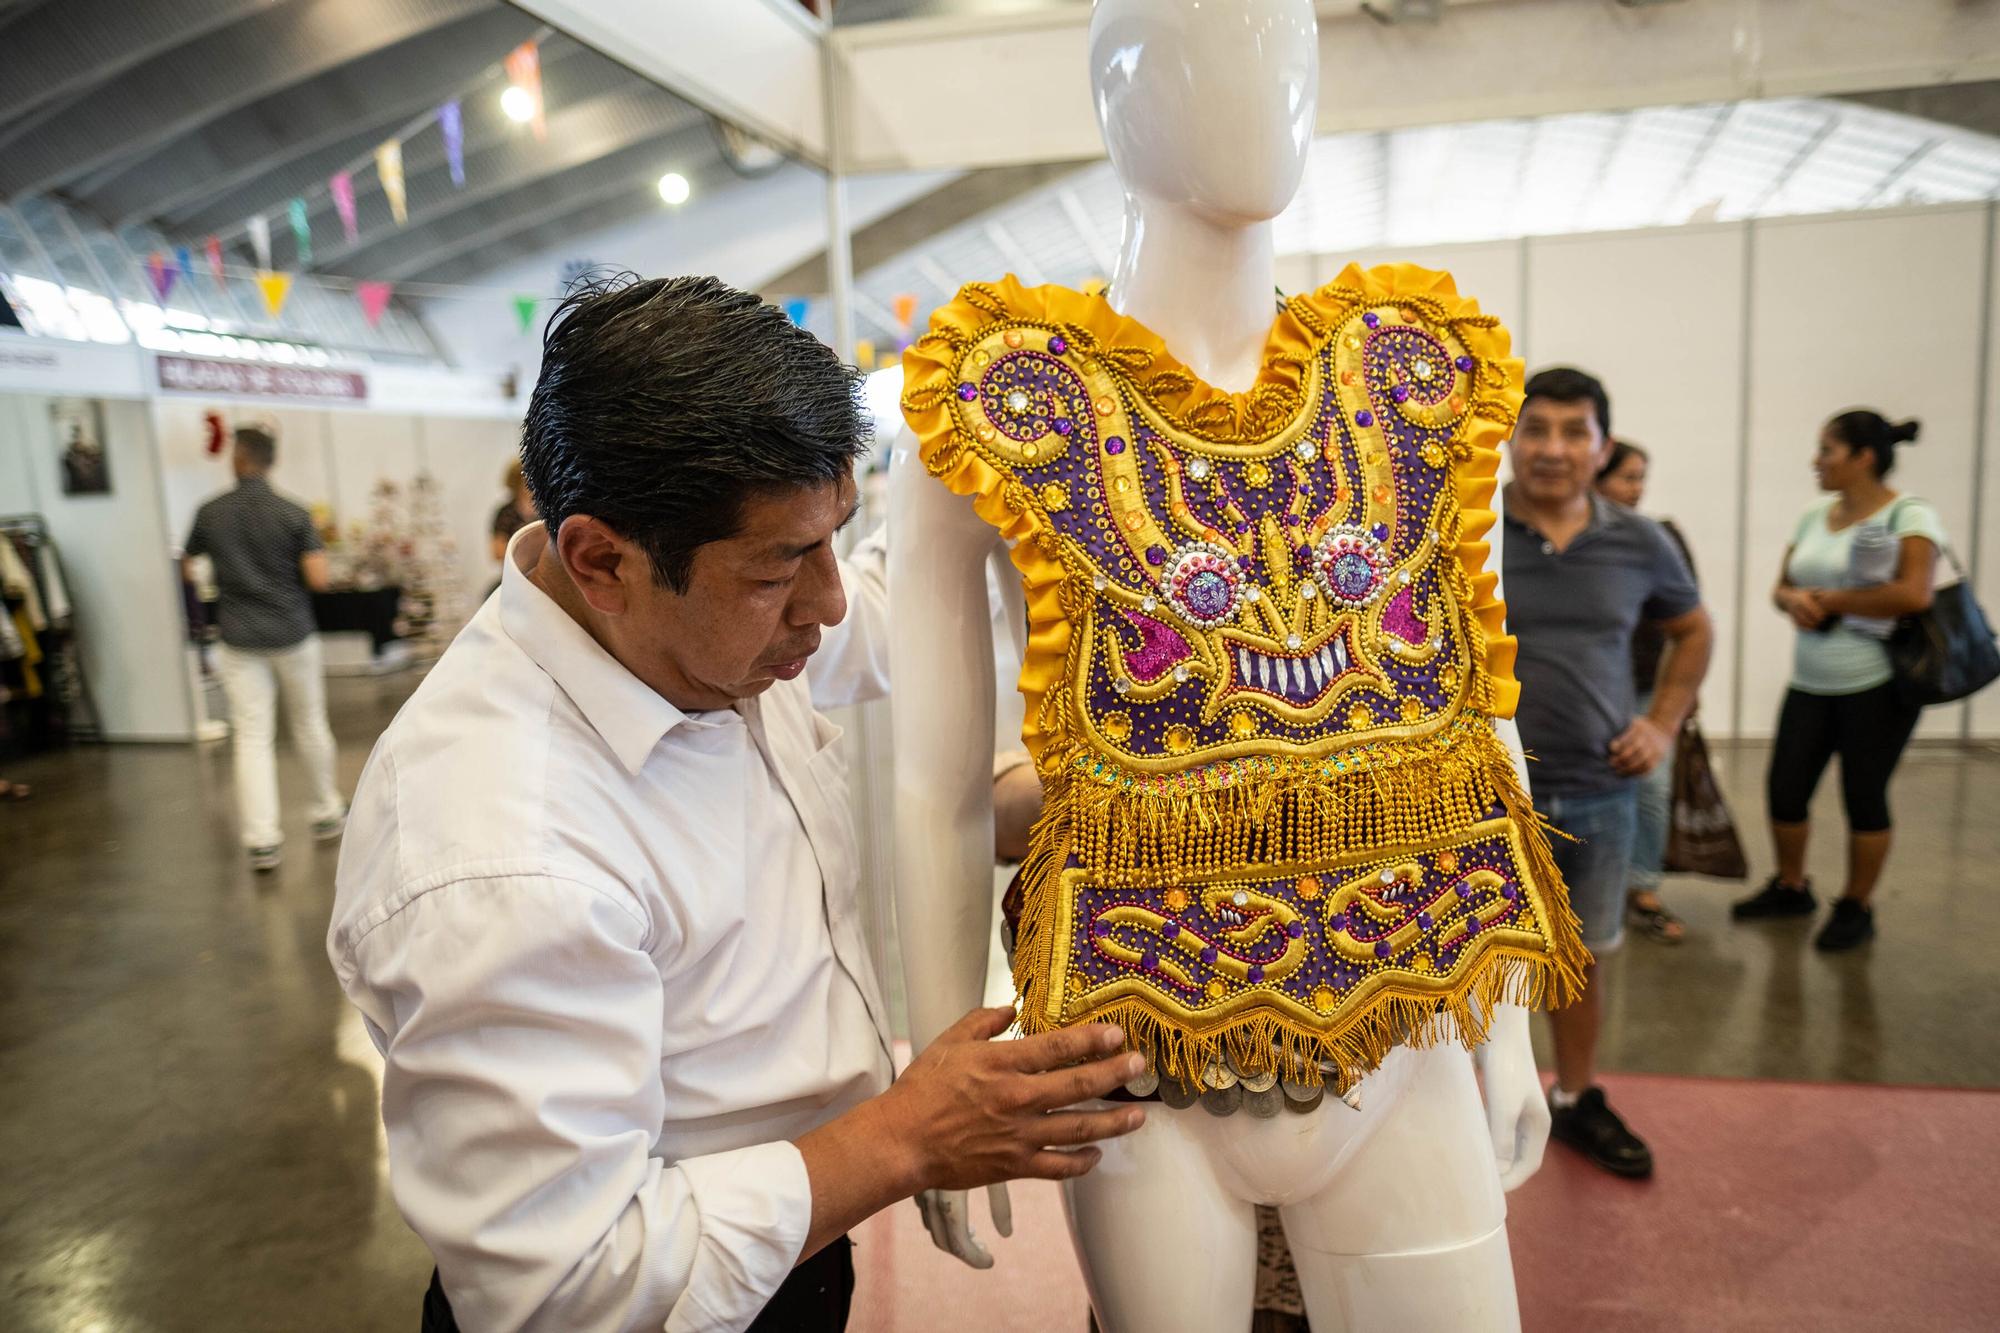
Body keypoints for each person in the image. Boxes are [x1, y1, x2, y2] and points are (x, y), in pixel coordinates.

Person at [326, 275, 1144, 1333]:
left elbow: (889, 605)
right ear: (602, 560)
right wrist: (907, 1135)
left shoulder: (702, 626)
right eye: (780, 567)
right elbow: (570, 1291)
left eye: (832, 538)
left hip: (795, 1251)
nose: (828, 603)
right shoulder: (498, 854)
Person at [1504, 368, 1712, 1178]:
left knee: (1583, 955)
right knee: (1470, 956)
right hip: (1488, 798)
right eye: (1536, 429)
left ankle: (1575, 1096)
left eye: (1572, 431)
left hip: (1598, 787)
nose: (1552, 448)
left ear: (1602, 445)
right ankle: (1475, 1106)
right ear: (1511, 438)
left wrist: (1661, 722)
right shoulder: (1466, 533)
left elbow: (1693, 630)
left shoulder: (1639, 539)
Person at [1734, 411, 1940, 952]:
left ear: (1863, 457)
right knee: (1785, 789)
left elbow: (1916, 593)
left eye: (1827, 451)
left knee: (1863, 795)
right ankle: (1791, 886)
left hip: (1876, 684)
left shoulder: (1910, 515)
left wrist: (1829, 603)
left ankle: (1856, 904)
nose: (1816, 461)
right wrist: (1792, 600)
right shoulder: (1814, 515)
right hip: (1811, 681)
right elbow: (1782, 585)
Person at [183, 425, 345, 871]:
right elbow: (318, 579)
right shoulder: (294, 513)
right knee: (309, 722)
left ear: (237, 457)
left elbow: (187, 563)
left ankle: (262, 840)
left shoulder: (210, 512)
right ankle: (326, 810)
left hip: (238, 637)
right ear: (271, 460)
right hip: (293, 631)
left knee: (252, 736)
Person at [1595, 440, 1696, 945]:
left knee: (1651, 787)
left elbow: (1691, 623)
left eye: (1641, 478)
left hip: (1643, 688)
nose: (1637, 489)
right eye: (1627, 478)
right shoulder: (1563, 541)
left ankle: (1644, 890)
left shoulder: (1659, 537)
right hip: (1584, 695)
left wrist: (1671, 710)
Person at [488, 457, 537, 563]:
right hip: (516, 567)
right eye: (525, 480)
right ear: (516, 482)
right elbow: (498, 552)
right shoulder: (506, 513)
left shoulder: (544, 509)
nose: (530, 484)